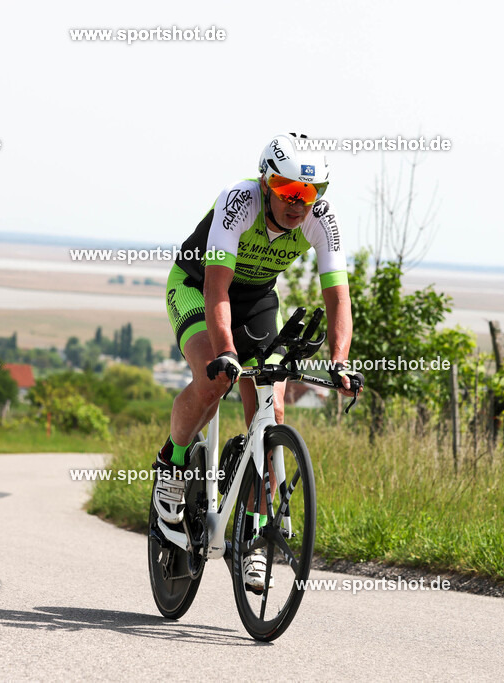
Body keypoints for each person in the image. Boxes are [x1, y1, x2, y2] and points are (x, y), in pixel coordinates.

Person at [156, 133, 364, 590]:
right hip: (198, 286)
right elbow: (215, 290)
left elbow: (338, 297)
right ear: (267, 183)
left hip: (255, 301)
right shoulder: (238, 202)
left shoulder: (321, 220)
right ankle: (170, 467)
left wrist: (340, 360)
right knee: (214, 381)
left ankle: (252, 535)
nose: (297, 203)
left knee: (273, 408)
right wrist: (226, 351)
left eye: (308, 193)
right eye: (287, 191)